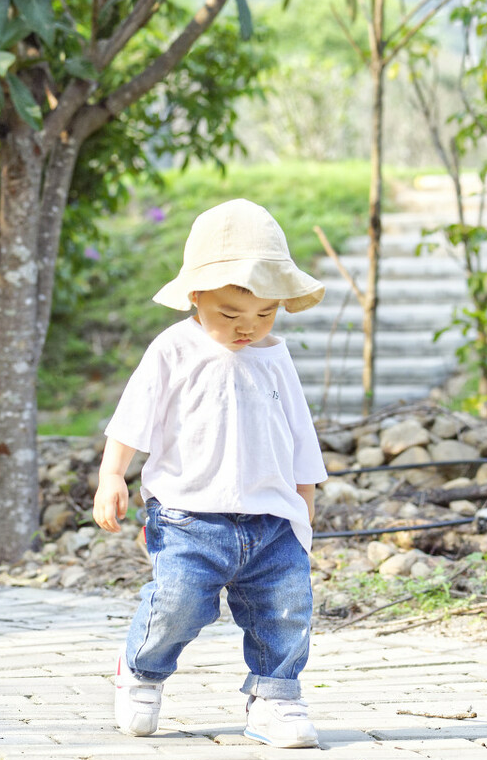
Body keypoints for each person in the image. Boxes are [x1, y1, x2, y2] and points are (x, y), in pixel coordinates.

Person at [93, 198, 328, 749]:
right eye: (229, 315)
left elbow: (300, 433)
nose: (248, 329)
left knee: (286, 609)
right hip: (187, 517)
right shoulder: (173, 350)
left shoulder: (276, 357)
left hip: (272, 519)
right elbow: (133, 419)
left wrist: (304, 501)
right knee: (179, 604)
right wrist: (112, 477)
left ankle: (275, 699)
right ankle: (143, 672)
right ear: (196, 297)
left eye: (264, 315)